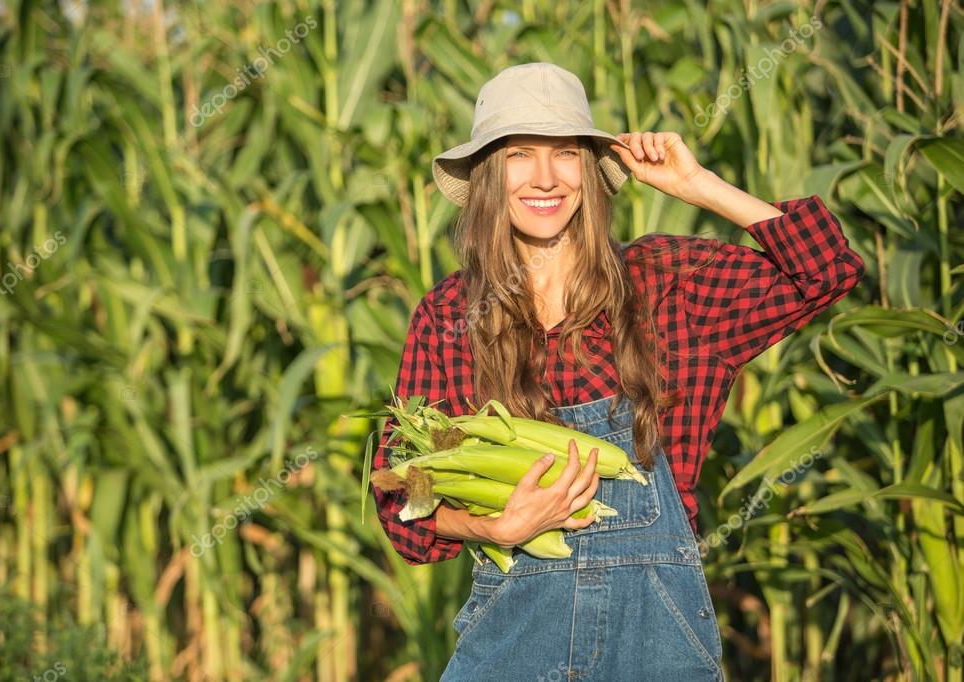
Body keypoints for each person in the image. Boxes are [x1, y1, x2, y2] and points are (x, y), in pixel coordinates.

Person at [370, 62, 865, 681]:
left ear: (591, 171)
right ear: (489, 174)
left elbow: (828, 269)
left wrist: (701, 186)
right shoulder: (450, 315)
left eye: (567, 154)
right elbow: (403, 496)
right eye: (520, 154)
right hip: (513, 642)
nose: (545, 178)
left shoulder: (668, 287)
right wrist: (493, 526)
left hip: (654, 647)